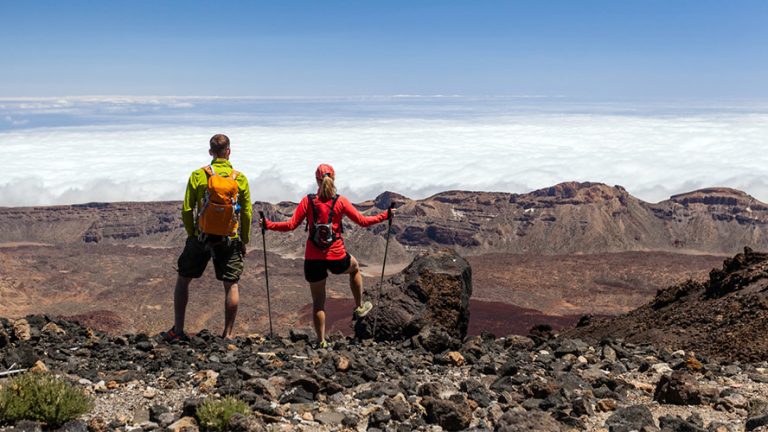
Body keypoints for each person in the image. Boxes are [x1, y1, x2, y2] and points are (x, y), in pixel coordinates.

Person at [260, 164, 392, 348]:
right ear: (334, 179)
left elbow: (290, 225)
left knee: (318, 303)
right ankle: (360, 306)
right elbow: (363, 221)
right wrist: (385, 215)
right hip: (336, 256)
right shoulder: (341, 201)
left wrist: (268, 224)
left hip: (313, 259)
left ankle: (321, 341)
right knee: (354, 268)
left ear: (316, 180)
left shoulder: (308, 201)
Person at [162, 134, 253, 341]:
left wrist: (192, 234)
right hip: (229, 239)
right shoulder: (239, 179)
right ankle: (228, 335)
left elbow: (186, 209)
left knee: (184, 279)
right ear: (229, 151)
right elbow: (246, 213)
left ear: (211, 152)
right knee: (231, 283)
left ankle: (178, 329)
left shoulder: (197, 175)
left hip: (201, 237)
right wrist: (243, 239)